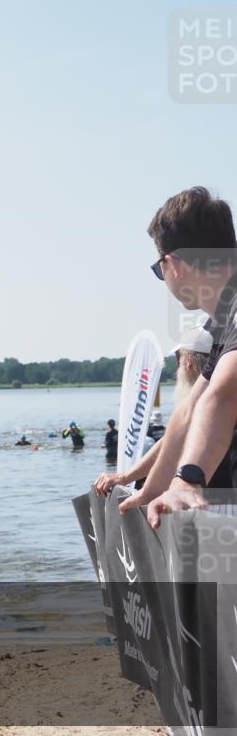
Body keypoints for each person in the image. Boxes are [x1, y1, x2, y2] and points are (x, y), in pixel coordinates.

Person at [114, 188, 237, 524]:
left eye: (159, 269)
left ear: (173, 264)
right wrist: (148, 491)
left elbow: (223, 397)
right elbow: (188, 413)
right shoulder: (223, 319)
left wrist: (188, 480)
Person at [95, 327, 222, 496]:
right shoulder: (224, 390)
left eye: (178, 359)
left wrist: (126, 477)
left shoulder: (207, 401)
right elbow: (171, 441)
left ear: (189, 363)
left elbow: (172, 443)